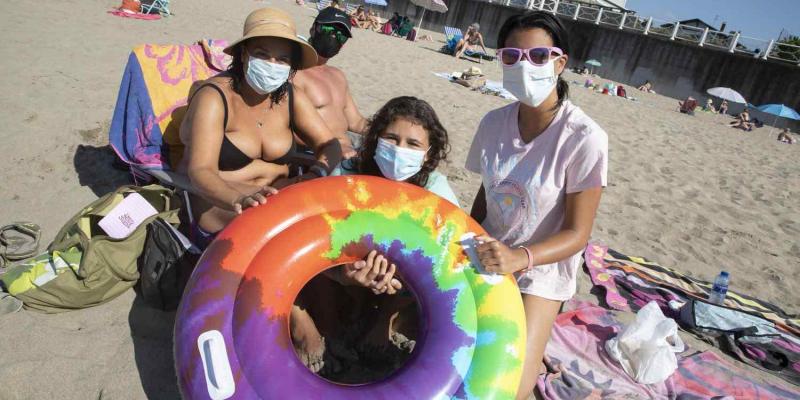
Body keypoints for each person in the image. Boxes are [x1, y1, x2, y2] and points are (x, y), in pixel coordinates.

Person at [465, 11, 607, 399]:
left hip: (540, 270)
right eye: (511, 56)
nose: (524, 65)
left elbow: (578, 234)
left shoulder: (584, 137)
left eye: (539, 56)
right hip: (488, 252)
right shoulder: (493, 122)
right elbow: (488, 193)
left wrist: (518, 259)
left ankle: (538, 351)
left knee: (509, 384)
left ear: (560, 63)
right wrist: (466, 234)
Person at [293, 96, 459, 373]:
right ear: (376, 138)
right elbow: (311, 238)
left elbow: (450, 254)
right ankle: (311, 327)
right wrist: (341, 273)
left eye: (413, 144)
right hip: (343, 267)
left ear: (428, 153)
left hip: (397, 279)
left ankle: (383, 325)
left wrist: (401, 278)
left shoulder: (435, 189)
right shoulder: (346, 174)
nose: (399, 150)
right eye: (391, 138)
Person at [176, 8, 342, 250]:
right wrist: (239, 199)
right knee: (309, 239)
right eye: (262, 55)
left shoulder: (290, 97)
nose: (272, 65)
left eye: (282, 59)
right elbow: (201, 171)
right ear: (244, 54)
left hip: (279, 203)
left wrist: (316, 173)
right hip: (225, 208)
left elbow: (330, 143)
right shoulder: (215, 98)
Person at [294, 7, 369, 159]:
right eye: (329, 29)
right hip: (316, 153)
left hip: (347, 149)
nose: (335, 36)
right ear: (313, 29)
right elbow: (282, 128)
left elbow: (356, 122)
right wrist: (330, 146)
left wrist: (384, 130)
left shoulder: (338, 76)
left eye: (342, 36)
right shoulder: (295, 73)